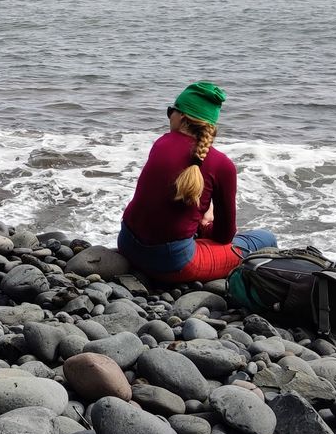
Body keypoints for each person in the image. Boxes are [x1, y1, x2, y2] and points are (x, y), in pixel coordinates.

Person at [118, 80, 277, 282]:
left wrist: (200, 216)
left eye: (170, 111)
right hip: (171, 263)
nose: (169, 117)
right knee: (265, 238)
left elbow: (162, 205)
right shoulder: (222, 164)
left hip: (128, 245)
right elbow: (224, 236)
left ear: (182, 117)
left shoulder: (161, 143)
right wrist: (205, 222)